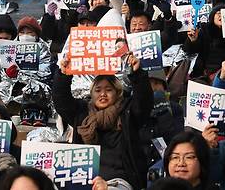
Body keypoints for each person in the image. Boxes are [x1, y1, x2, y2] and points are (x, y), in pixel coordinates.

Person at [52, 53, 152, 189]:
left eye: (108, 90)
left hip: (119, 181)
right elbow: (61, 101)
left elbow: (144, 101)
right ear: (92, 94)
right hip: (84, 179)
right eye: (98, 90)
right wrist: (64, 75)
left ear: (117, 93)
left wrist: (137, 73)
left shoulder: (127, 111)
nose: (103, 94)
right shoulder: (82, 112)